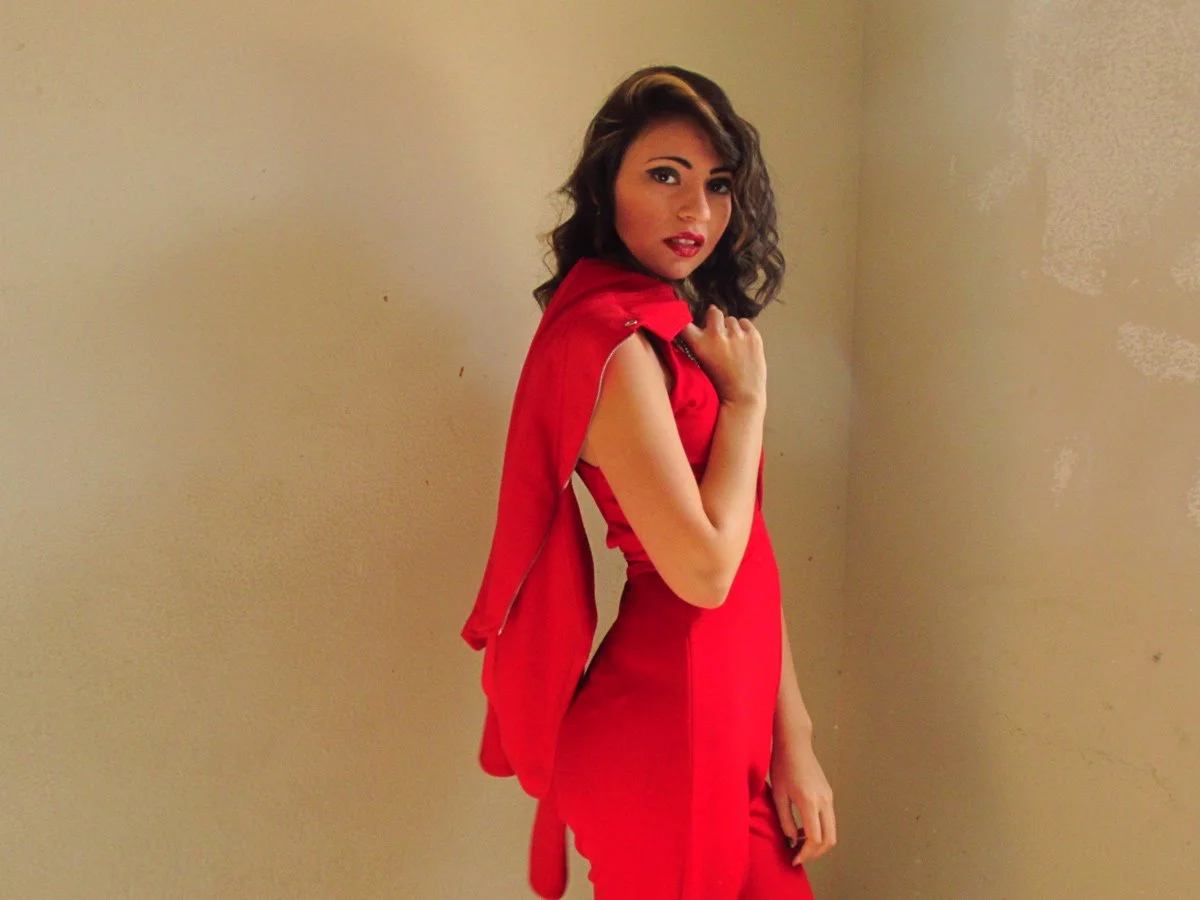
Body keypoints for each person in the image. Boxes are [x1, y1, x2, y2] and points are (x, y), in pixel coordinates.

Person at [462, 65, 836, 900]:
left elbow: (751, 553)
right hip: (671, 732)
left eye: (718, 184)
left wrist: (793, 738)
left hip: (731, 726)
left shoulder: (672, 330)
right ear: (606, 188)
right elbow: (705, 572)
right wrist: (746, 405)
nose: (695, 210)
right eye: (664, 175)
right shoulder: (612, 344)